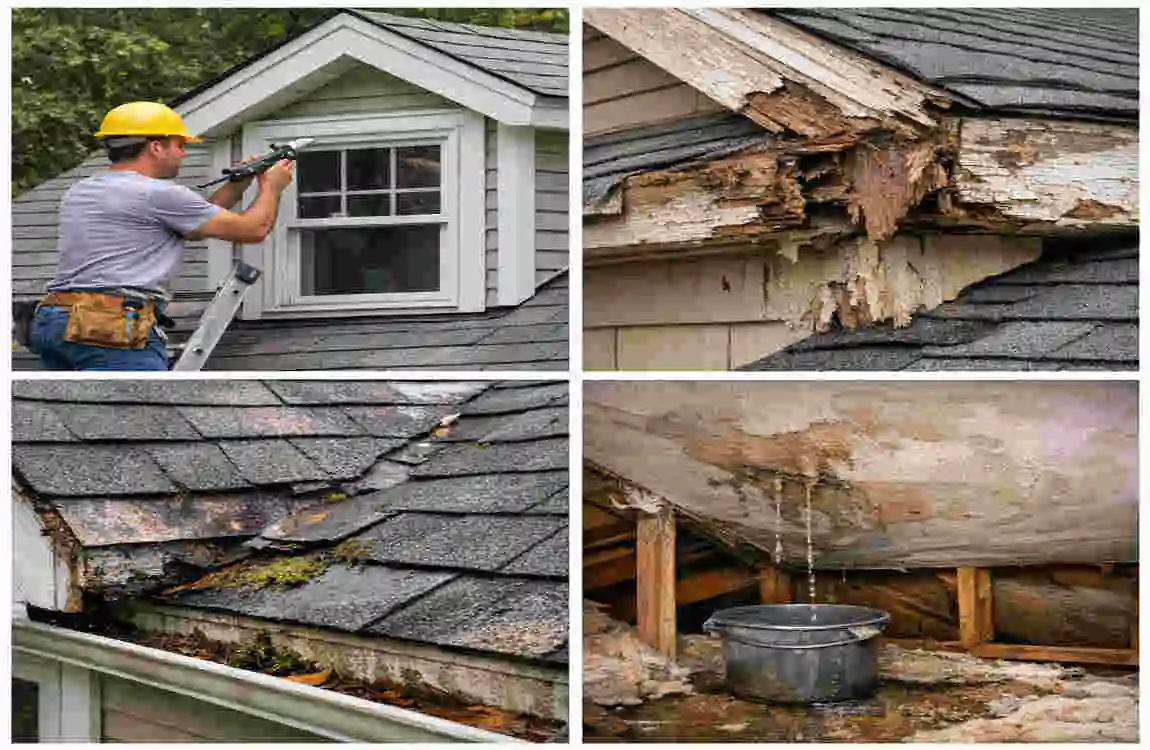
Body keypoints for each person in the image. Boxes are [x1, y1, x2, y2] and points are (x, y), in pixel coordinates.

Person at [28, 101, 295, 371]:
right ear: (156, 147)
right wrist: (271, 188)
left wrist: (236, 186)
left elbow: (190, 225)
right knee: (139, 410)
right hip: (108, 326)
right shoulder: (159, 193)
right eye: (179, 145)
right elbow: (253, 230)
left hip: (55, 320)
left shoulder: (82, 190)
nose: (183, 155)